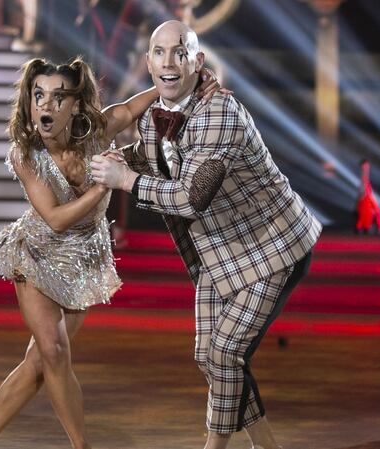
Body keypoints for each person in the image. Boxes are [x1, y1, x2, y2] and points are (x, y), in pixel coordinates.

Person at [0, 56, 220, 449]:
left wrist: (180, 84)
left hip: (83, 261)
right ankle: (81, 446)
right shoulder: (25, 153)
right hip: (38, 253)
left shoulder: (97, 132)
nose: (46, 106)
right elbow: (54, 219)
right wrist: (105, 186)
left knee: (40, 363)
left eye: (58, 97)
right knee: (53, 350)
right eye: (39, 96)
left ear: (76, 105)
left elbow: (134, 107)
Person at [90, 20, 322, 449]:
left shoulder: (220, 114)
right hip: (219, 249)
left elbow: (192, 196)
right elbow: (146, 157)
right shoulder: (155, 117)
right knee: (210, 358)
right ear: (148, 63)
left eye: (179, 52)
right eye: (159, 53)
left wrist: (123, 180)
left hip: (273, 245)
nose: (168, 61)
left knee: (225, 353)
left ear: (197, 61)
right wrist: (114, 161)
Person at [355, 158, 380, 234]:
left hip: (367, 197)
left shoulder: (365, 175)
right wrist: (362, 195)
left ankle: (367, 228)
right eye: (365, 166)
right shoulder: (364, 175)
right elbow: (363, 187)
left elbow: (364, 187)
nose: (367, 167)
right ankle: (364, 228)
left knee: (373, 212)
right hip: (366, 197)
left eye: (367, 166)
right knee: (368, 214)